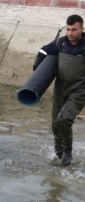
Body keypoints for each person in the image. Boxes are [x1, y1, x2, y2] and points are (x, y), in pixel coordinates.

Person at [33, 14, 85, 167]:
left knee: (64, 120)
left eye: (74, 30)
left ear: (82, 29)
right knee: (56, 124)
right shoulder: (60, 42)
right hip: (60, 89)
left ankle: (67, 152)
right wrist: (38, 65)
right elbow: (44, 50)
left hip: (79, 91)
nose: (70, 33)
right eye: (68, 29)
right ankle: (59, 155)